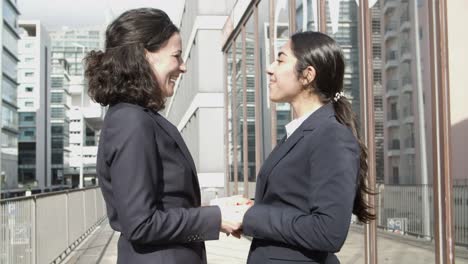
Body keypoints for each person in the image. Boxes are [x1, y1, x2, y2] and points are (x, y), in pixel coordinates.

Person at [86, 8, 241, 264]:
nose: (183, 67)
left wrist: (217, 211)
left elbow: (162, 207)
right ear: (145, 57)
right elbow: (141, 223)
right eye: (177, 56)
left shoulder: (136, 116)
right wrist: (216, 217)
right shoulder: (131, 121)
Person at [240, 31, 375, 264]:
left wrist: (250, 217)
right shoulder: (301, 133)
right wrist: (250, 210)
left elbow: (328, 231)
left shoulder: (331, 136)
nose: (270, 68)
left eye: (280, 60)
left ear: (307, 75)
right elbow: (291, 204)